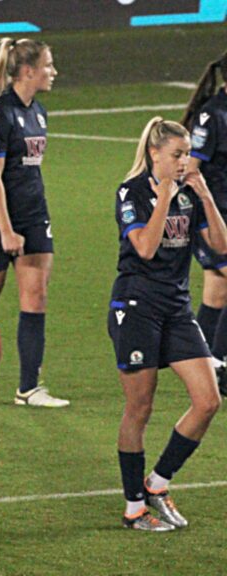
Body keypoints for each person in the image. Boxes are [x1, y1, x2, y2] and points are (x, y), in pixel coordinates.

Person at [110, 118, 225, 532]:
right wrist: (163, 199)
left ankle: (157, 483)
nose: (184, 161)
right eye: (177, 154)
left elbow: (221, 245)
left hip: (177, 309)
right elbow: (143, 246)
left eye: (187, 153)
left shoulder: (190, 194)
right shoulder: (132, 192)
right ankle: (134, 507)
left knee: (208, 400)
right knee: (140, 408)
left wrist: (206, 195)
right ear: (155, 153)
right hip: (136, 307)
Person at [0, 37, 66, 408]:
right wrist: (5, 229)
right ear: (27, 71)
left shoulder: (38, 112)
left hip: (34, 216)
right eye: (48, 65)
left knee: (35, 297)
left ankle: (28, 388)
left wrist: (27, 221)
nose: (53, 72)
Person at [183, 50, 227, 393]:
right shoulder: (212, 116)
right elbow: (191, 170)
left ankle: (200, 365)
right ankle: (220, 366)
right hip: (214, 218)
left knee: (217, 293)